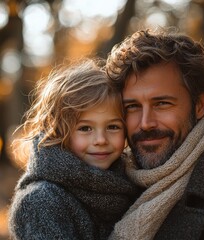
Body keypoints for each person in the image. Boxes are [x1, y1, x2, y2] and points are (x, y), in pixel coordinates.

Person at [106, 28, 204, 240]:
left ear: (199, 105)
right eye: (132, 106)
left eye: (162, 103)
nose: (146, 123)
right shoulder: (106, 189)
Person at [8, 58, 140, 240]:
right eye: (85, 128)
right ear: (59, 133)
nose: (101, 140)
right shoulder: (41, 201)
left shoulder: (127, 183)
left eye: (113, 127)